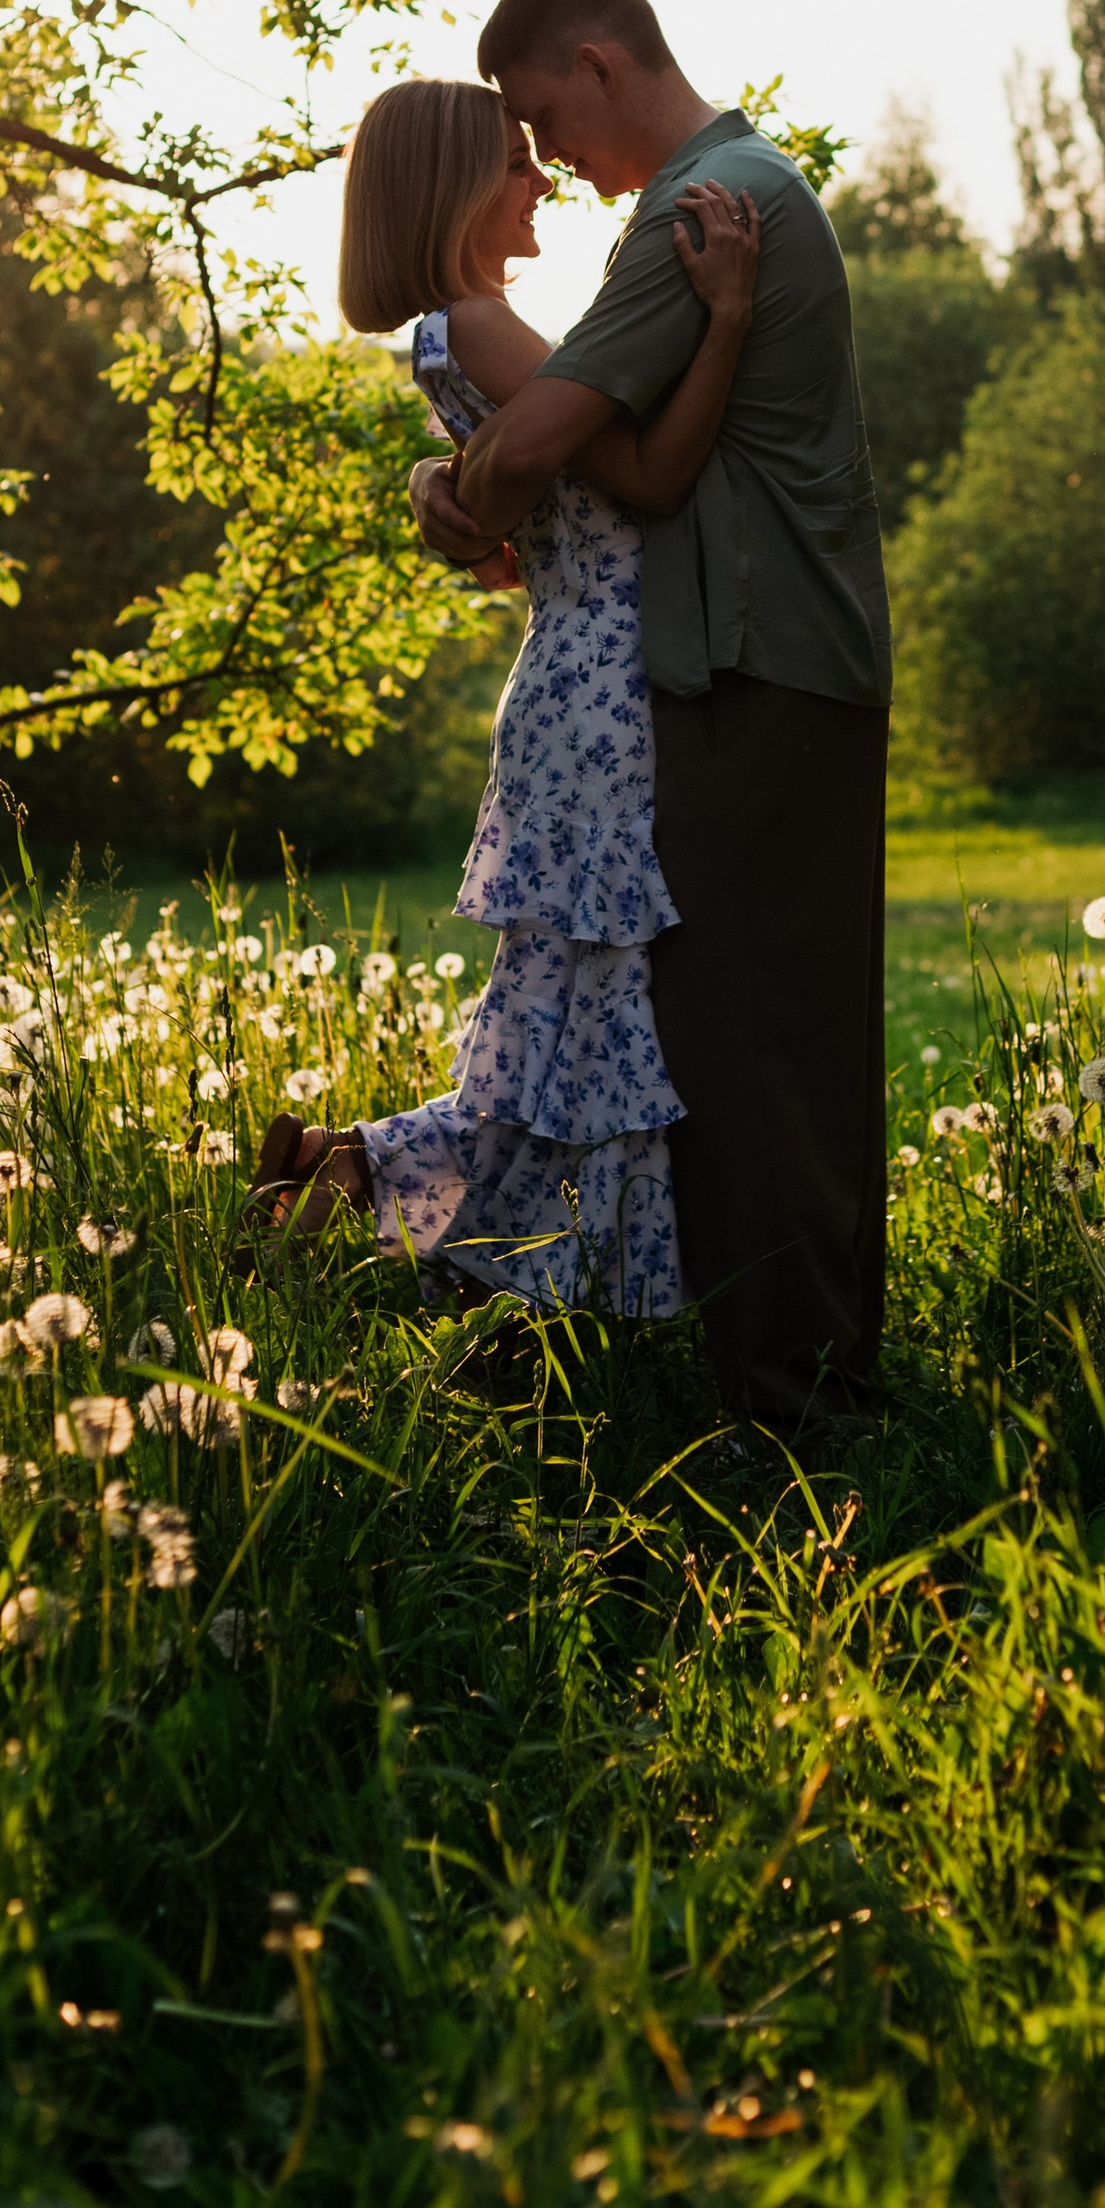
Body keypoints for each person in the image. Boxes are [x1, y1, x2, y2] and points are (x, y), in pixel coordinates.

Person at [410, 0, 892, 1437]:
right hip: (778, 661)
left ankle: (796, 1412)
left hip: (752, 669)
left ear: (601, 59)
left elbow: (547, 437)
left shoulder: (698, 211)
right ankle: (796, 1388)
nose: (543, 154)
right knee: (773, 1036)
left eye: (541, 112)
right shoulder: (737, 191)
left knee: (748, 1048)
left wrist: (445, 487)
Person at [257, 74, 758, 1314]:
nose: (541, 181)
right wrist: (730, 318)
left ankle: (351, 1171)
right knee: (593, 1014)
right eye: (515, 163)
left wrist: (453, 487)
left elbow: (504, 516)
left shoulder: (455, 331)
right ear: (454, 188)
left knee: (567, 1014)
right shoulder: (476, 323)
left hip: (580, 685)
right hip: (598, 691)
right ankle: (524, 1274)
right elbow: (651, 472)